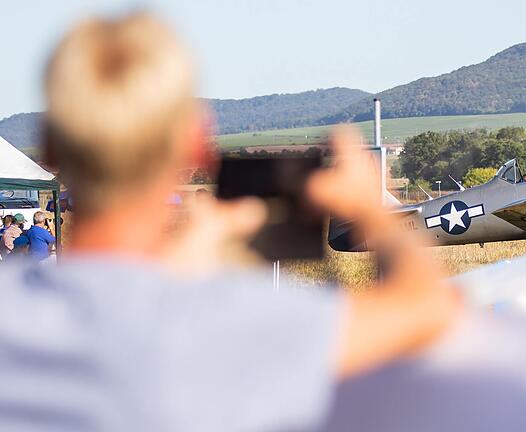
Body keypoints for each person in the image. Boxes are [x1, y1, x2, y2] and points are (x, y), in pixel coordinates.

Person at [0, 12, 460, 431]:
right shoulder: (233, 321)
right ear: (196, 144)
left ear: (50, 147)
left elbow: (111, 297)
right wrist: (370, 210)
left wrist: (193, 248)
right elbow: (423, 307)